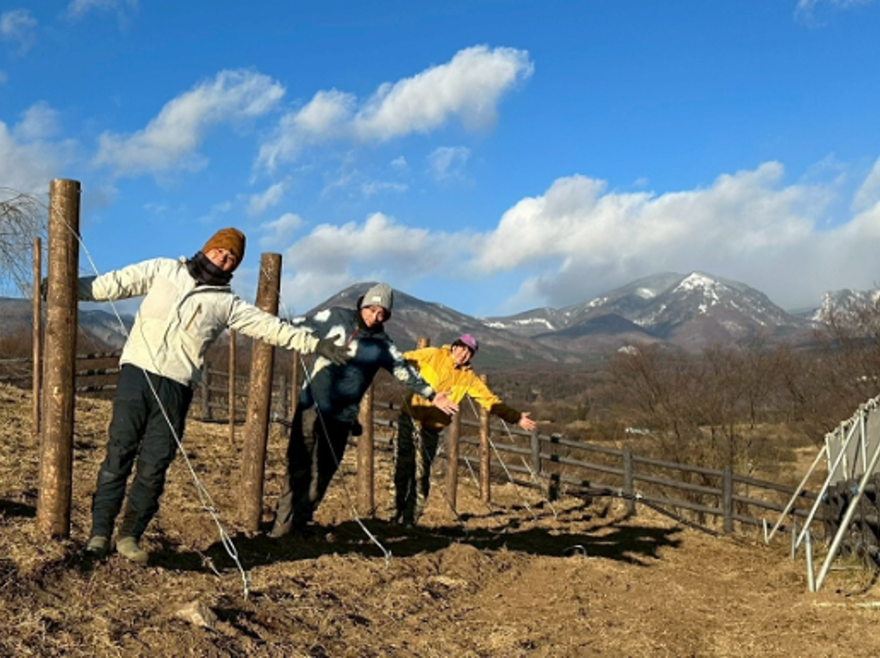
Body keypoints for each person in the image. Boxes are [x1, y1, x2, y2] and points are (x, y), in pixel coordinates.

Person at [73, 227, 348, 564]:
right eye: (221, 250)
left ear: (234, 267)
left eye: (231, 257)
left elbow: (269, 327)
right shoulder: (164, 270)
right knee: (119, 453)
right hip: (136, 375)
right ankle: (99, 532)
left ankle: (130, 536)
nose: (224, 258)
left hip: (177, 386)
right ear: (207, 248)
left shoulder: (226, 304)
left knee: (154, 465)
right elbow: (115, 283)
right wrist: (66, 287)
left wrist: (314, 344)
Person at [269, 283, 459, 538]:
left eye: (382, 313)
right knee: (297, 465)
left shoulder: (382, 346)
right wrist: (262, 322)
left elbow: (404, 371)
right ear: (362, 304)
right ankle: (280, 528)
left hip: (342, 417)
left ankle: (300, 522)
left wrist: (432, 395)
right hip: (310, 406)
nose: (375, 317)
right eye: (371, 309)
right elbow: (297, 325)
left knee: (323, 473)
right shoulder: (335, 318)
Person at [393, 333, 536, 526]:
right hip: (410, 418)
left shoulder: (468, 378)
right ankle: (393, 514)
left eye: (469, 352)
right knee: (402, 467)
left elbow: (490, 401)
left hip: (431, 429)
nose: (463, 353)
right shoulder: (432, 355)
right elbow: (401, 359)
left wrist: (516, 417)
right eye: (461, 348)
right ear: (454, 347)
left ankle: (409, 521)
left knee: (422, 474)